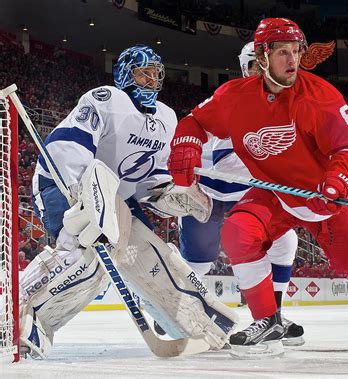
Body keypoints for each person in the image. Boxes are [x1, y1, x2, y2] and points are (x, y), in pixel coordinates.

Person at [165, 18, 348, 357]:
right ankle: (268, 320)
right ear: (262, 56)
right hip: (275, 193)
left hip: (322, 196)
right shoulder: (235, 96)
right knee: (237, 231)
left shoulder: (320, 95)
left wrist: (338, 178)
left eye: (295, 52)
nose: (292, 61)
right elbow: (196, 120)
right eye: (282, 52)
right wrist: (187, 143)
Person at [19, 45, 236, 359]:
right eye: (142, 72)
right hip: (63, 181)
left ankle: (200, 328)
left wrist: (173, 194)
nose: (149, 80)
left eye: (155, 74)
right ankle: (18, 321)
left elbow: (150, 179)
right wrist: (85, 203)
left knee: (154, 260)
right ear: (125, 74)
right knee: (86, 257)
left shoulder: (166, 117)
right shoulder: (105, 99)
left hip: (117, 196)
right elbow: (69, 147)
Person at [178, 41, 304, 346]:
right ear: (245, 67)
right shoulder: (232, 98)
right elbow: (229, 157)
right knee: (198, 261)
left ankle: (273, 316)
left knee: (285, 240)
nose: (259, 73)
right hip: (207, 194)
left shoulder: (287, 105)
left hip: (245, 196)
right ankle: (176, 310)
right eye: (252, 65)